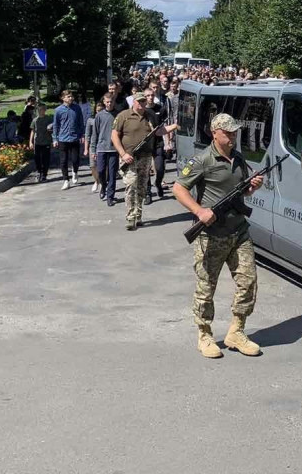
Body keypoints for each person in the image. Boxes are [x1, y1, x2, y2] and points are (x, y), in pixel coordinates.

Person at [173, 113, 265, 359]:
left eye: (235, 131)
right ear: (215, 132)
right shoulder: (202, 160)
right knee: (206, 288)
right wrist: (199, 210)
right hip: (211, 235)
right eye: (228, 132)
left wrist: (253, 186)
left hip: (238, 232)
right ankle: (204, 335)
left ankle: (237, 331)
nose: (233, 135)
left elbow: (243, 191)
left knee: (248, 282)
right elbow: (178, 188)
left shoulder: (238, 157)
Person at [111, 93, 176, 230]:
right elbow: (115, 136)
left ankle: (138, 214)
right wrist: (122, 154)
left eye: (143, 102)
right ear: (133, 102)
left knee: (141, 187)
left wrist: (175, 126)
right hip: (129, 157)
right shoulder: (123, 116)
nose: (141, 104)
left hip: (145, 157)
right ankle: (130, 217)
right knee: (130, 185)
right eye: (139, 102)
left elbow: (159, 131)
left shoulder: (150, 115)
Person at [53, 89, 85, 189]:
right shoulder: (58, 110)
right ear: (63, 98)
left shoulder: (77, 108)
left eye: (71, 96)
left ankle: (75, 171)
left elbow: (81, 122)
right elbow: (56, 125)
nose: (71, 98)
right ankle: (66, 180)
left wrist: (82, 135)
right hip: (63, 138)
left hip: (75, 138)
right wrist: (55, 138)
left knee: (75, 159)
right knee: (63, 160)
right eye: (68, 96)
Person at [91, 92, 119, 205]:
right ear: (104, 102)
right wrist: (93, 149)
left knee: (112, 173)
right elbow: (95, 133)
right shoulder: (99, 115)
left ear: (114, 102)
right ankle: (103, 185)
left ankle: (110, 196)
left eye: (111, 102)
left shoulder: (118, 115)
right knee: (101, 171)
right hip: (101, 148)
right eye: (107, 102)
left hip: (113, 148)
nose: (109, 104)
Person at [30, 103, 53, 182]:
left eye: (43, 109)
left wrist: (53, 137)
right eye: (39, 109)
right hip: (37, 142)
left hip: (46, 142)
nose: (41, 111)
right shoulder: (35, 120)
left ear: (45, 110)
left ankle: (44, 175)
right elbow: (32, 131)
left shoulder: (49, 119)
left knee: (45, 159)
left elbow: (53, 130)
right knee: (37, 159)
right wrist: (31, 142)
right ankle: (39, 172)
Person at [85, 102, 103, 194]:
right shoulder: (90, 120)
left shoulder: (104, 118)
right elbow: (87, 135)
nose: (99, 112)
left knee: (103, 166)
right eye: (97, 110)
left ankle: (102, 182)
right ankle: (97, 180)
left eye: (101, 110)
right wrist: (85, 148)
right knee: (93, 166)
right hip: (93, 145)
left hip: (102, 144)